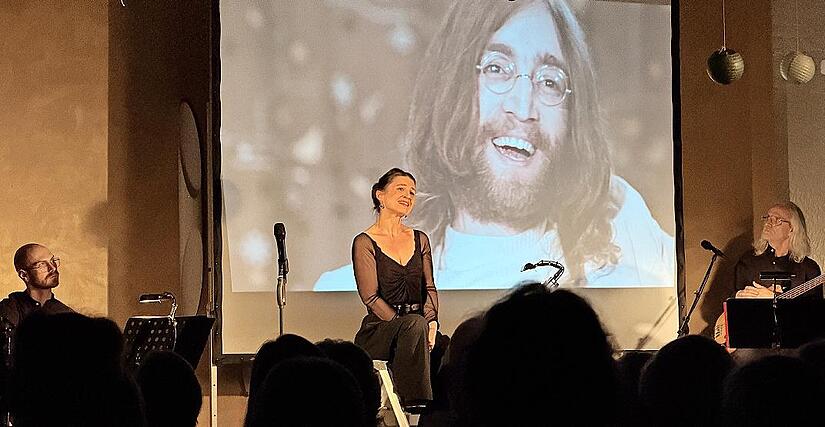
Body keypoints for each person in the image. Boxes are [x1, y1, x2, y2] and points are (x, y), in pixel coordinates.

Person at [315, 0, 673, 291]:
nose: (522, 107)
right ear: (452, 86)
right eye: (497, 69)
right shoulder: (349, 289)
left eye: (549, 81)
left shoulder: (623, 226)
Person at [350, 168, 439, 406]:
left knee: (447, 346)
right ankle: (415, 400)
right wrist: (406, 325)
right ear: (380, 195)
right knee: (413, 324)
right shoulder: (364, 242)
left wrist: (431, 323)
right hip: (380, 329)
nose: (408, 196)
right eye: (400, 189)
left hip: (417, 326)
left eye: (412, 192)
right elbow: (370, 297)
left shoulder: (420, 238)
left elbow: (429, 287)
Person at [733, 202, 821, 298]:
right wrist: (738, 296)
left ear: (792, 228)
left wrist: (775, 298)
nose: (768, 223)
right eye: (767, 218)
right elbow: (729, 297)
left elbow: (814, 310)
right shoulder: (748, 261)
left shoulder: (809, 268)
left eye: (776, 220)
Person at [0, 243, 74, 328]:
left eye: (52, 261)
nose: (53, 268)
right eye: (42, 264)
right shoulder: (8, 309)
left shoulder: (66, 313)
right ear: (24, 275)